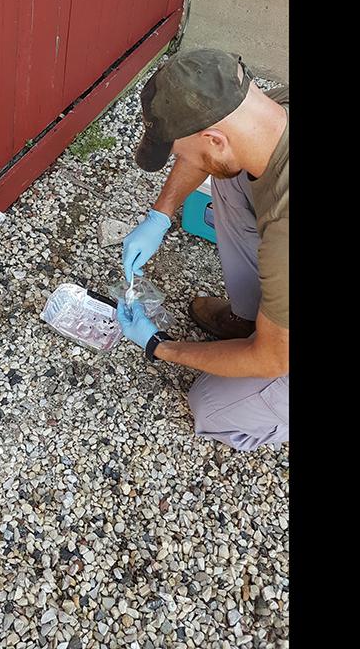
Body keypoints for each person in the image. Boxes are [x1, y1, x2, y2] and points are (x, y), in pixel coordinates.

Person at [116, 48, 289, 451]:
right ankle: (251, 319)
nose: (182, 160)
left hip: (279, 347)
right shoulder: (269, 110)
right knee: (230, 176)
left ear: (213, 138)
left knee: (210, 404)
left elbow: (272, 359)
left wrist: (159, 346)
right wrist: (160, 215)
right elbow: (217, 152)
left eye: (181, 152)